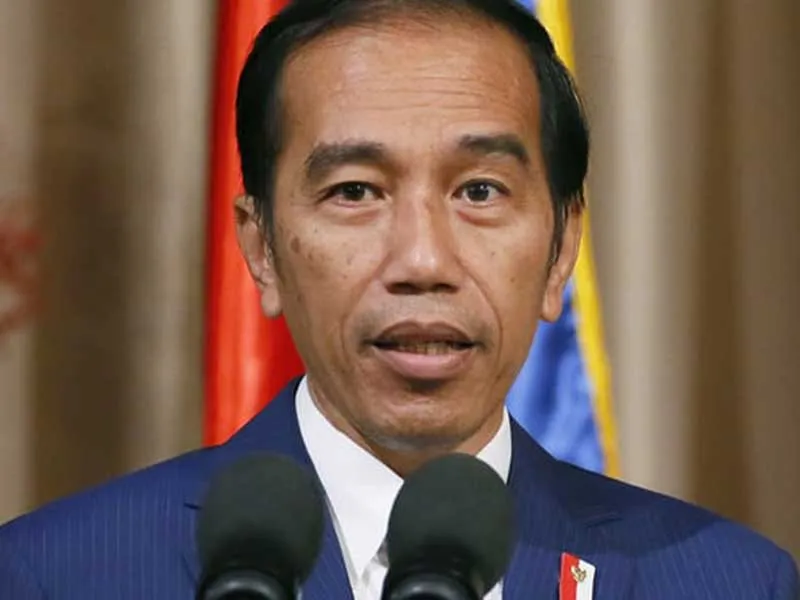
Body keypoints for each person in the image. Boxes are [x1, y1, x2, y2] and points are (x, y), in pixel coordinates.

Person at [0, 0, 796, 598]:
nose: (423, 261)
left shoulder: (724, 582)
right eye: (355, 191)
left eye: (479, 191)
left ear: (561, 250)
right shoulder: (57, 575)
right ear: (261, 248)